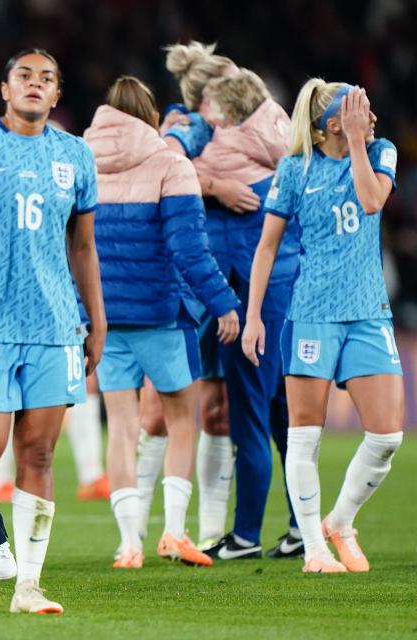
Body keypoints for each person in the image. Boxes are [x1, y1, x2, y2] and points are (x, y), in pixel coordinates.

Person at [0, 49, 106, 614]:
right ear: (4, 89)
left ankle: (28, 585)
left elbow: (83, 247)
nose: (35, 85)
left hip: (56, 326)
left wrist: (96, 320)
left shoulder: (75, 155)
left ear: (57, 95)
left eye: (47, 79)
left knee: (38, 453)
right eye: (24, 77)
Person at [243, 81, 403, 573]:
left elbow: (373, 201)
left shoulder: (379, 152)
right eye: (358, 109)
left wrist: (358, 143)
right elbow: (267, 247)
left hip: (368, 312)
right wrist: (252, 317)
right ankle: (314, 548)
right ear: (331, 121)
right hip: (311, 313)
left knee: (386, 438)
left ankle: (340, 520)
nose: (369, 116)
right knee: (304, 437)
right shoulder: (294, 170)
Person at [85, 76, 240, 569]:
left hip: (106, 319)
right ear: (152, 117)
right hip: (160, 316)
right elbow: (189, 249)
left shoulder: (79, 160)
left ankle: (129, 543)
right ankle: (174, 532)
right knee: (179, 422)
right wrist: (224, 302)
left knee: (124, 429)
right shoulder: (168, 162)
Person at [133, 41, 243, 548]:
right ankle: (135, 532)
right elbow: (163, 165)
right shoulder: (184, 124)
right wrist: (218, 186)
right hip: (185, 286)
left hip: (225, 281)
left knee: (216, 409)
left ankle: (210, 531)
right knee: (157, 409)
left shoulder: (236, 134)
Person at [190, 70, 300, 560]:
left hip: (253, 304)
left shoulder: (230, 158)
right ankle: (302, 528)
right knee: (280, 413)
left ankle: (247, 536)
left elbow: (172, 165)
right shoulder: (280, 156)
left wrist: (212, 184)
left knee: (252, 412)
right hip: (285, 296)